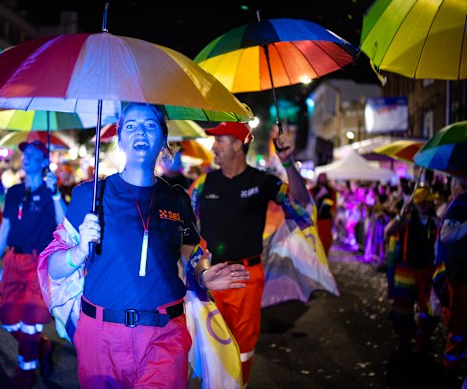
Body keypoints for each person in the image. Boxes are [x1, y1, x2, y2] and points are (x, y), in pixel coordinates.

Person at [38, 103, 249, 389]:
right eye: (131, 125)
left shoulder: (177, 199)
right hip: (99, 337)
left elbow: (192, 256)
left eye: (150, 125)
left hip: (164, 336)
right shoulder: (89, 196)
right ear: (119, 138)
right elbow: (54, 267)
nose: (140, 132)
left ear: (163, 139)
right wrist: (77, 252)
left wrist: (204, 275)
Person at [188, 121, 311, 384]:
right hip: (209, 277)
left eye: (219, 141)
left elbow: (301, 206)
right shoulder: (202, 183)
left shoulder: (264, 182)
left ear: (236, 143)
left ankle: (237, 385)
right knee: (209, 345)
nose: (213, 147)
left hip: (246, 276)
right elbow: (183, 226)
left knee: (242, 348)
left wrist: (288, 162)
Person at [0, 140, 67, 388]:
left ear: (43, 162)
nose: (26, 156)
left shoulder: (51, 192)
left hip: (37, 263)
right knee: (9, 320)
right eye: (24, 153)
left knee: (31, 323)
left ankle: (25, 376)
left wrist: (54, 194)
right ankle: (44, 347)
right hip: (12, 260)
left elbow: (63, 224)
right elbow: (6, 227)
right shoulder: (14, 192)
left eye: (33, 154)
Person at [384, 187, 439, 352]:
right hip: (406, 268)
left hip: (427, 269)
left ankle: (423, 337)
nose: (427, 205)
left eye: (429, 202)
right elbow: (389, 231)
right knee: (402, 307)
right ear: (417, 204)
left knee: (429, 308)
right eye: (424, 202)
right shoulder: (407, 219)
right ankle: (404, 337)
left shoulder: (435, 221)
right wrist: (401, 215)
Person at [439, 177, 467, 375]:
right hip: (460, 274)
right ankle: (451, 364)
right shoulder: (460, 202)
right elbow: (446, 235)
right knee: (458, 321)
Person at [311, 172, 336, 255]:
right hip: (316, 218)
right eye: (321, 177)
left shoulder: (330, 190)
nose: (323, 179)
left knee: (325, 238)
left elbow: (333, 204)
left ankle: (324, 254)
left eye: (324, 177)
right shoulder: (313, 189)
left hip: (326, 217)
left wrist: (333, 213)